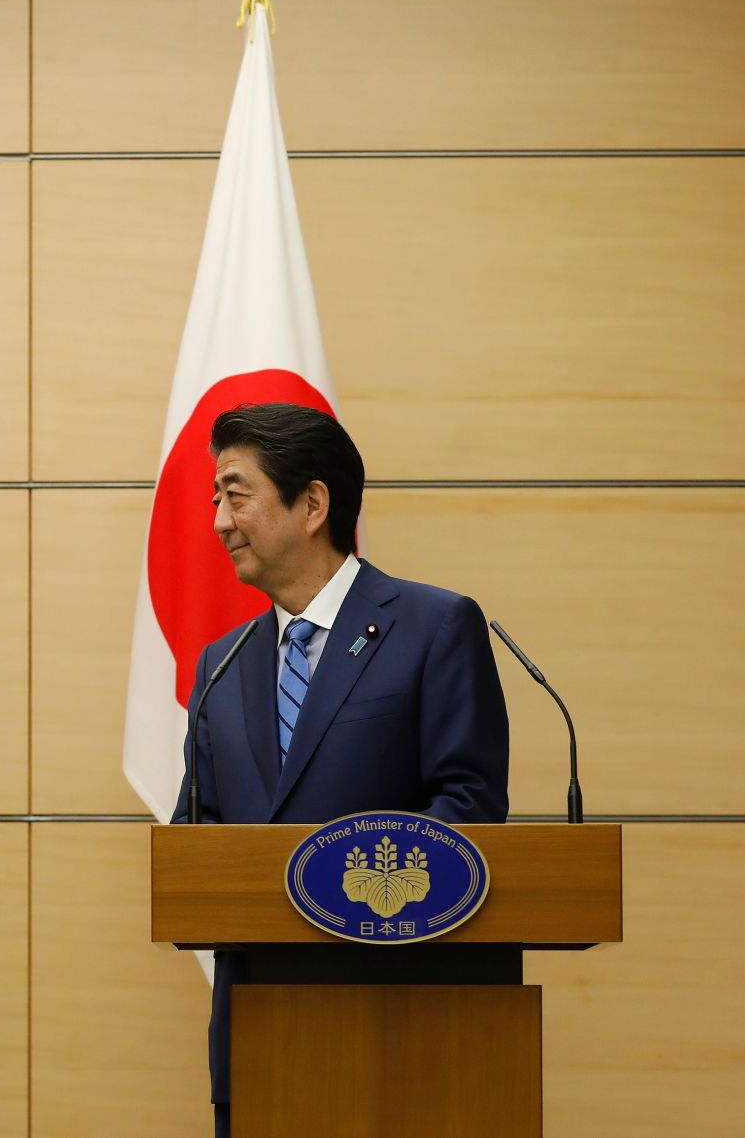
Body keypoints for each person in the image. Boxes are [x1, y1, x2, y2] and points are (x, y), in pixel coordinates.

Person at [170, 402, 509, 1137]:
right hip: (259, 1040)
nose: (219, 521)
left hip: (409, 1026)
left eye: (236, 494)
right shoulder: (220, 665)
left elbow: (470, 806)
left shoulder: (436, 626)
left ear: (313, 503)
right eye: (215, 500)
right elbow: (193, 838)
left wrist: (335, 890)